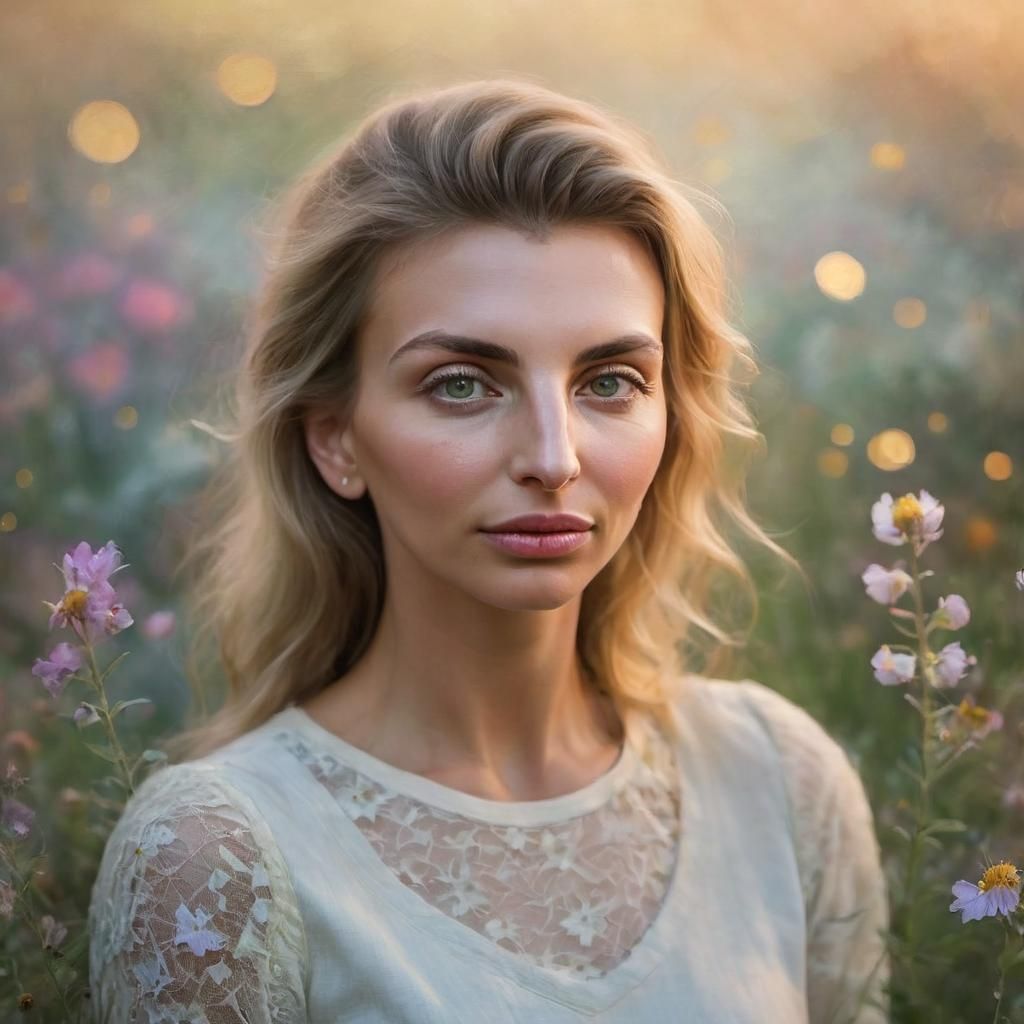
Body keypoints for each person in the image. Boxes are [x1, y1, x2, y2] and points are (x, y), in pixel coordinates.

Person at [87, 77, 890, 1023]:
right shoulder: (217, 855)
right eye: (463, 384)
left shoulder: (778, 781)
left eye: (612, 380)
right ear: (334, 437)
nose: (554, 459)